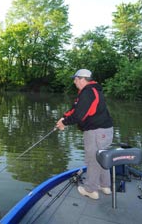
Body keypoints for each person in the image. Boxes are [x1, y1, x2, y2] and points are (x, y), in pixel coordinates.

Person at [56, 69, 113, 200]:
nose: (74, 81)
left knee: (93, 159)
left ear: (82, 79)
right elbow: (75, 108)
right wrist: (64, 117)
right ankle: (105, 186)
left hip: (96, 131)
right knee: (102, 157)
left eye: (75, 79)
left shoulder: (88, 92)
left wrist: (64, 123)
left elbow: (79, 115)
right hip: (104, 130)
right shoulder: (90, 90)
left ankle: (90, 190)